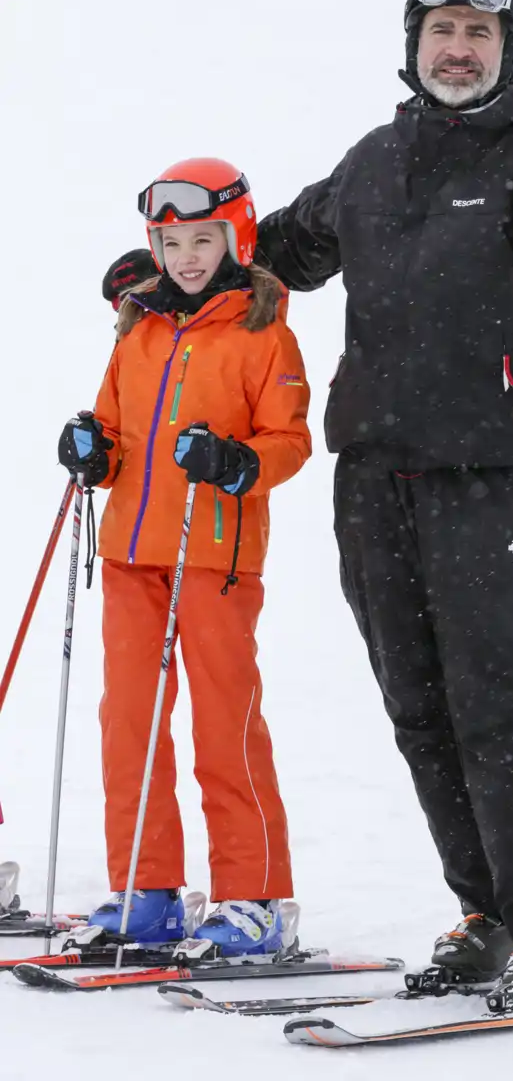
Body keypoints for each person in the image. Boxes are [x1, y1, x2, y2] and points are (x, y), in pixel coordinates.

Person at [105, 0, 513, 999]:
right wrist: (174, 267)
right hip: (371, 474)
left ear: (506, 50)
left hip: (485, 471)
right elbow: (272, 256)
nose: (457, 50)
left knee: (491, 698)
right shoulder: (374, 163)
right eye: (441, 32)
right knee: (415, 704)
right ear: (412, 45)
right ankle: (485, 914)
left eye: (478, 36)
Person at [61, 158, 311, 955]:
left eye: (205, 239)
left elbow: (290, 440)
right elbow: (114, 424)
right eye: (172, 243)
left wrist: (238, 462)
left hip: (214, 556)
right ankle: (147, 887)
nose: (188, 257)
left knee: (222, 724)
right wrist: (92, 450)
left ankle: (257, 897)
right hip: (133, 555)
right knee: (127, 722)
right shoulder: (140, 328)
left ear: (236, 236)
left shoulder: (262, 332)